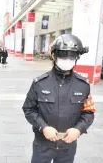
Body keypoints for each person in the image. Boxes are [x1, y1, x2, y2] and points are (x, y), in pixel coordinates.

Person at [22, 34, 95, 163]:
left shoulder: (83, 85)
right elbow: (29, 109)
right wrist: (43, 127)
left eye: (71, 56)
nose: (67, 59)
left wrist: (78, 129)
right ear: (54, 55)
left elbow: (88, 112)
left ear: (77, 58)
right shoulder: (39, 83)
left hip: (68, 145)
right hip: (42, 144)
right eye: (63, 55)